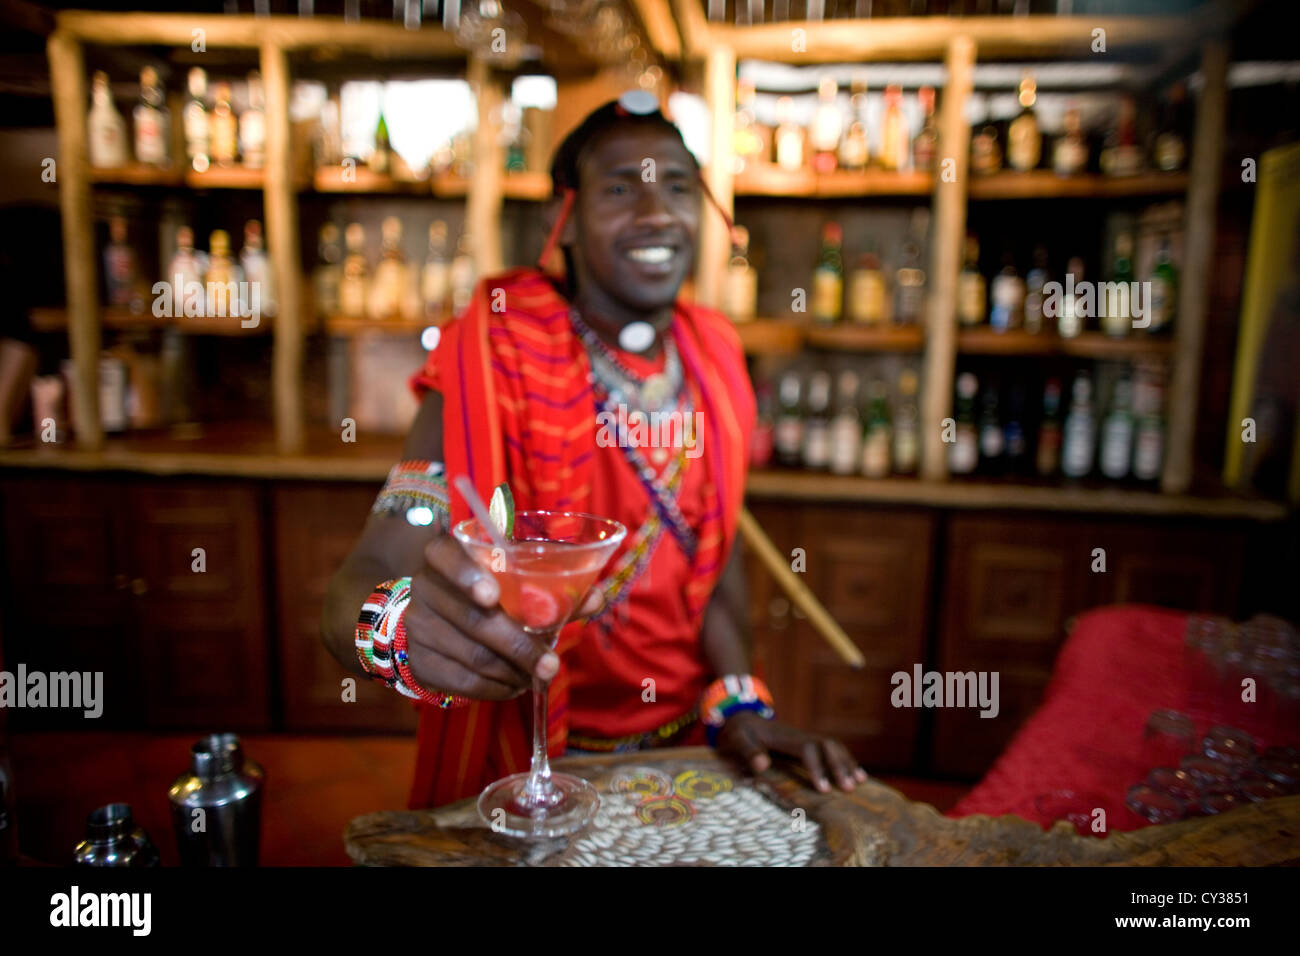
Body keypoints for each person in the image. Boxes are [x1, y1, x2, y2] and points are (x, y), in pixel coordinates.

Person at [322, 92, 866, 809]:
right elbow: (361, 582)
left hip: (688, 753)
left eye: (678, 186)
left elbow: (717, 556)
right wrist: (391, 632)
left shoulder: (716, 354)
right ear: (565, 220)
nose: (657, 212)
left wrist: (741, 705)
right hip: (537, 759)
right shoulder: (495, 350)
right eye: (620, 188)